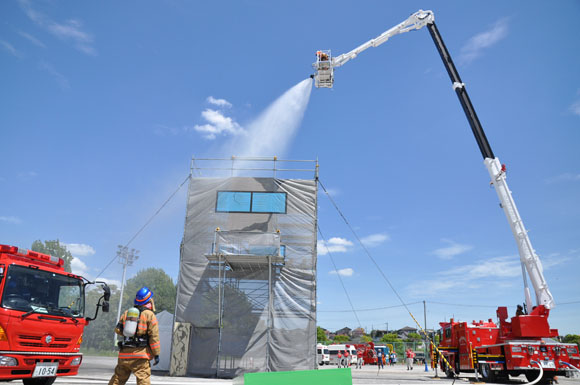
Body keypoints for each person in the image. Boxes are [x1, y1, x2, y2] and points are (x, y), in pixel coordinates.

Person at [108, 287, 161, 385]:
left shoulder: (127, 313)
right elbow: (154, 337)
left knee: (117, 379)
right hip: (140, 355)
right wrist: (156, 354)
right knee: (143, 380)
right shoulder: (150, 315)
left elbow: (118, 330)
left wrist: (130, 333)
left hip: (124, 354)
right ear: (149, 300)